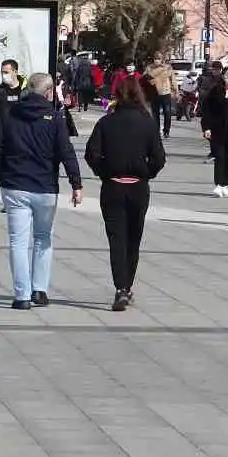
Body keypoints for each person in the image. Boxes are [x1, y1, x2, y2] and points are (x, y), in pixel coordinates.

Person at [0, 73, 82, 310]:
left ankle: (21, 295)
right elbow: (66, 151)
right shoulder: (54, 118)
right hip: (45, 188)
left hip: (15, 186)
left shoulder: (10, 114)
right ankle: (39, 290)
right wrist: (76, 184)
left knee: (18, 242)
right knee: (43, 238)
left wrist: (1, 179)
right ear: (49, 92)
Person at [84, 77, 167, 312]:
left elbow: (92, 154)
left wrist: (104, 172)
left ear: (117, 95)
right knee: (133, 239)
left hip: (113, 186)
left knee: (116, 239)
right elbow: (159, 158)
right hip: (138, 187)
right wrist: (146, 173)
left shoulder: (106, 123)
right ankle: (127, 285)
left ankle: (121, 287)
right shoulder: (147, 123)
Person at [201, 66, 228, 197]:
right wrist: (206, 128)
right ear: (223, 76)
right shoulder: (215, 91)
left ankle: (225, 184)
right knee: (220, 157)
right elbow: (207, 111)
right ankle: (218, 184)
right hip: (217, 129)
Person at [144, 58, 176, 138]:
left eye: (158, 59)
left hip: (166, 92)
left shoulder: (168, 67)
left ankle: (166, 131)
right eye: (155, 59)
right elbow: (146, 77)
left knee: (167, 112)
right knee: (155, 113)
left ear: (162, 59)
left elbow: (173, 79)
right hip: (154, 93)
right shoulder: (149, 68)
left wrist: (176, 90)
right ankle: (156, 130)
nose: (156, 60)